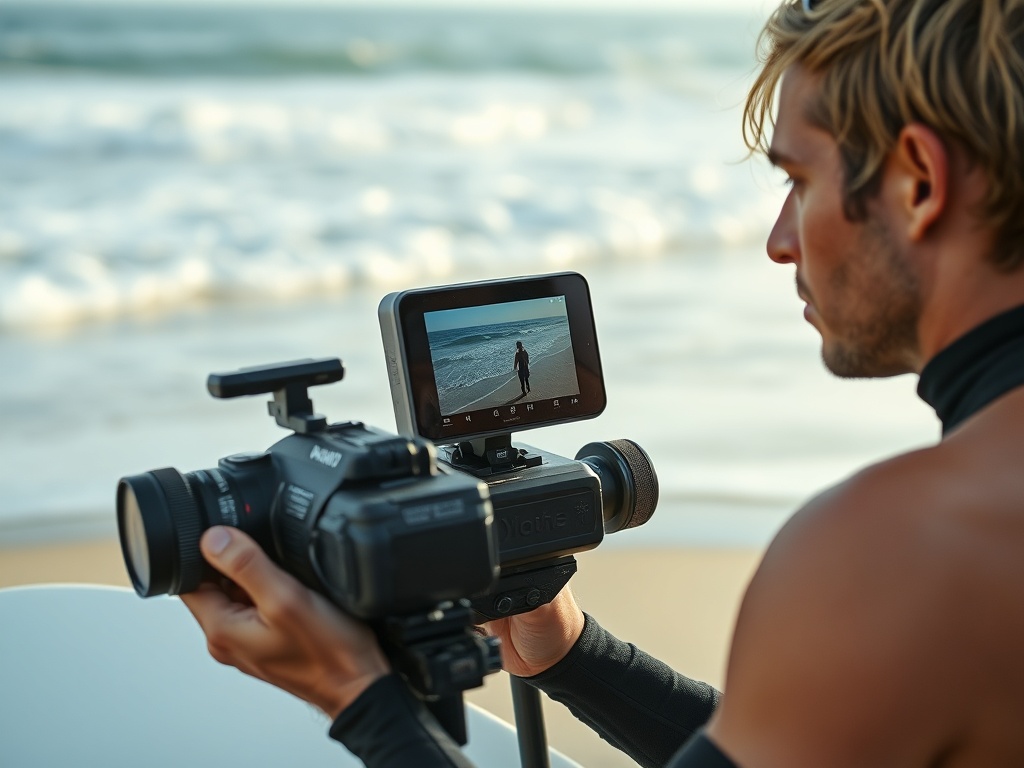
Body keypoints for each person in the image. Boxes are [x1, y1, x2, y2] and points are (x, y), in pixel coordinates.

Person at [181, 0, 1024, 765]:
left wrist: (357, 696)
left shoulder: (900, 549)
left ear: (919, 179)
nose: (778, 239)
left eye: (798, 181)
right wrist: (572, 652)